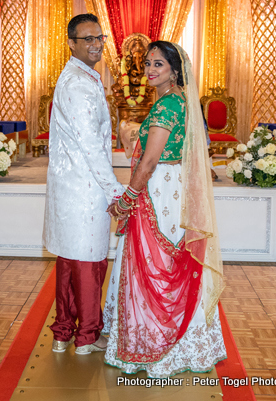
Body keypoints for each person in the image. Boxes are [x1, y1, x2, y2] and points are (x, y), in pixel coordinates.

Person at [104, 41, 226, 377]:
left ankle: (155, 342)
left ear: (175, 69)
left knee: (155, 262)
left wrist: (126, 200)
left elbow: (148, 163)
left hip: (158, 192)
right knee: (176, 260)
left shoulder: (164, 109)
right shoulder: (183, 102)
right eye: (147, 64)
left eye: (158, 64)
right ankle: (191, 340)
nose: (150, 70)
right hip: (177, 190)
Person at [43, 13, 125, 355]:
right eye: (87, 39)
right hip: (84, 187)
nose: (95, 45)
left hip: (72, 184)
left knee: (70, 259)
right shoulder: (78, 84)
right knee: (89, 262)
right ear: (72, 43)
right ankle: (87, 337)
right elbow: (90, 144)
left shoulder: (79, 75)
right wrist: (115, 189)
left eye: (99, 38)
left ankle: (64, 331)